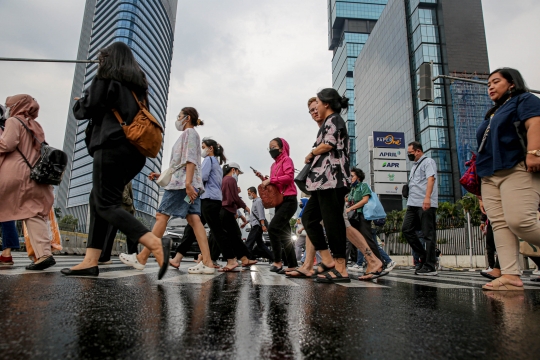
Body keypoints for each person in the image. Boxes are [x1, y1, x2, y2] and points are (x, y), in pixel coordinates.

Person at [67, 42, 167, 278]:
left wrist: (78, 101)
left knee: (106, 204)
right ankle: (90, 260)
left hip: (112, 147)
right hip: (135, 153)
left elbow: (85, 110)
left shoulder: (106, 78)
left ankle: (153, 242)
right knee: (97, 200)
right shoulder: (138, 88)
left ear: (108, 59)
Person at [121, 107, 215, 275]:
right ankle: (207, 262)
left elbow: (191, 160)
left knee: (161, 215)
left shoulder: (189, 134)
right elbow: (180, 163)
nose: (177, 119)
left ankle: (142, 257)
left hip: (183, 184)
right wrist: (164, 175)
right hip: (187, 183)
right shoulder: (189, 135)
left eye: (179, 116)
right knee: (194, 220)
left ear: (186, 118)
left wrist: (187, 184)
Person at [476, 68, 540, 291]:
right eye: (488, 84)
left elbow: (535, 124)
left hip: (517, 167)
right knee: (500, 225)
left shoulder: (525, 99)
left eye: (496, 82)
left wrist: (534, 152)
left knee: (521, 221)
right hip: (489, 175)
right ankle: (511, 275)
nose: (490, 87)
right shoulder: (493, 112)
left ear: (512, 83)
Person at [0, 95, 56, 270]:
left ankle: (9, 251)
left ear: (16, 106)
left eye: (9, 106)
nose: (7, 109)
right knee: (34, 213)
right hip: (35, 174)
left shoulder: (13, 121)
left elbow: (7, 144)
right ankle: (44, 254)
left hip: (16, 173)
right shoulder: (35, 124)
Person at [302, 89, 352, 284]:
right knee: (308, 218)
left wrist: (312, 153)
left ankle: (341, 268)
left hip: (333, 180)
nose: (316, 108)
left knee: (333, 222)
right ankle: (329, 260)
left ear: (326, 104)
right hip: (322, 183)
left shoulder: (335, 120)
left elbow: (329, 144)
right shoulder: (328, 123)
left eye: (318, 104)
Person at [169, 138, 227, 269]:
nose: (202, 150)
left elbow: (201, 179)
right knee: (192, 228)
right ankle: (178, 258)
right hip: (213, 199)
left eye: (203, 147)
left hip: (207, 199)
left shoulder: (208, 160)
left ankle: (226, 259)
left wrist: (188, 197)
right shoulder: (217, 164)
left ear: (210, 148)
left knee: (215, 230)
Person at [255, 138, 298, 273]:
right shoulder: (273, 166)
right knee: (286, 234)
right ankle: (292, 264)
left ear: (281, 148)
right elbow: (274, 184)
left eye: (273, 147)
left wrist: (271, 180)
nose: (271, 150)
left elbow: (289, 177)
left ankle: (277, 261)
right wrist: (263, 179)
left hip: (289, 199)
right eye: (269, 148)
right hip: (279, 201)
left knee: (273, 228)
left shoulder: (287, 160)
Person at [401, 141, 439, 276]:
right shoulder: (415, 166)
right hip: (412, 203)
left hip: (425, 203)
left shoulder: (428, 162)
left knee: (428, 234)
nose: (409, 156)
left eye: (410, 153)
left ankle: (430, 266)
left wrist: (427, 197)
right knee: (406, 229)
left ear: (418, 151)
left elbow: (431, 179)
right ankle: (425, 256)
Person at [345, 168, 387, 277]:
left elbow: (365, 200)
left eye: (352, 176)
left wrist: (350, 208)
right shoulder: (352, 189)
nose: (350, 178)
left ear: (358, 177)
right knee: (353, 239)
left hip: (362, 216)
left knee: (368, 239)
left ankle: (380, 264)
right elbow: (348, 199)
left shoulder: (363, 186)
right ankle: (369, 264)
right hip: (354, 217)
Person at [219, 163, 258, 271]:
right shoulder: (231, 180)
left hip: (225, 211)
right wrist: (245, 206)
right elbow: (235, 198)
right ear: (233, 170)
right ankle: (231, 260)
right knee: (231, 237)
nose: (238, 175)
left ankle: (244, 259)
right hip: (227, 210)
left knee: (235, 236)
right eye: (238, 173)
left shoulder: (222, 180)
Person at [98, 182, 138, 265]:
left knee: (110, 233)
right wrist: (130, 204)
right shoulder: (124, 175)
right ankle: (134, 256)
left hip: (114, 208)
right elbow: (124, 194)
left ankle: (104, 257)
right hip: (123, 209)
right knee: (132, 233)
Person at [245, 186, 274, 262]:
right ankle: (274, 258)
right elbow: (254, 215)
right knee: (260, 244)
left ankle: (247, 259)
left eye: (249, 193)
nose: (248, 195)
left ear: (253, 193)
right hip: (255, 225)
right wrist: (246, 222)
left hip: (257, 226)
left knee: (249, 242)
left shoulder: (258, 201)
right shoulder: (255, 201)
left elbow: (261, 214)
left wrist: (263, 225)